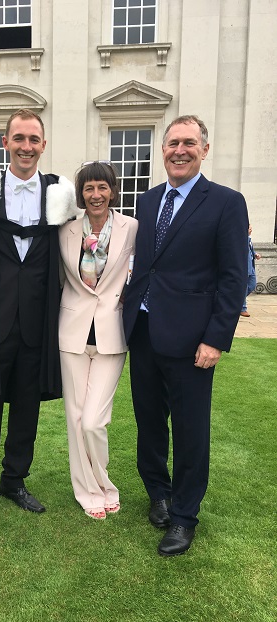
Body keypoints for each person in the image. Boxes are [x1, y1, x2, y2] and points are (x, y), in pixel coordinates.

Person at [123, 115, 248, 556]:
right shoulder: (149, 199)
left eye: (189, 143)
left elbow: (234, 279)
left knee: (191, 431)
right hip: (143, 330)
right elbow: (145, 263)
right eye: (173, 143)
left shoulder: (226, 203)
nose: (180, 150)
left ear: (204, 150)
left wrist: (216, 338)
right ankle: (158, 493)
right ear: (163, 150)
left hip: (194, 340)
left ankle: (184, 516)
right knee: (150, 422)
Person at [0, 108, 78, 542]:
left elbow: (70, 258)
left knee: (25, 410)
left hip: (37, 323)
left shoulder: (59, 196)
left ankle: (14, 481)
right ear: (5, 142)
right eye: (19, 138)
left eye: (34, 139)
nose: (27, 146)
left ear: (43, 145)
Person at [59, 161, 137, 519]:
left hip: (112, 332)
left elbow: (146, 269)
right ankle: (87, 491)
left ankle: (103, 482)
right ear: (81, 193)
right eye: (89, 188)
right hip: (72, 332)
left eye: (102, 188)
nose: (95, 195)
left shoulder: (131, 227)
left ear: (113, 191)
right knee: (76, 419)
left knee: (94, 420)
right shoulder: (65, 230)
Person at [240, 225, 261, 317]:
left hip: (251, 265)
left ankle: (237, 299)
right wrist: (247, 236)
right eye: (249, 227)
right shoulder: (243, 239)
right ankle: (243, 308)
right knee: (244, 287)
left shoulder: (249, 239)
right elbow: (243, 248)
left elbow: (250, 249)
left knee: (252, 285)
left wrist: (255, 254)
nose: (251, 229)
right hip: (245, 265)